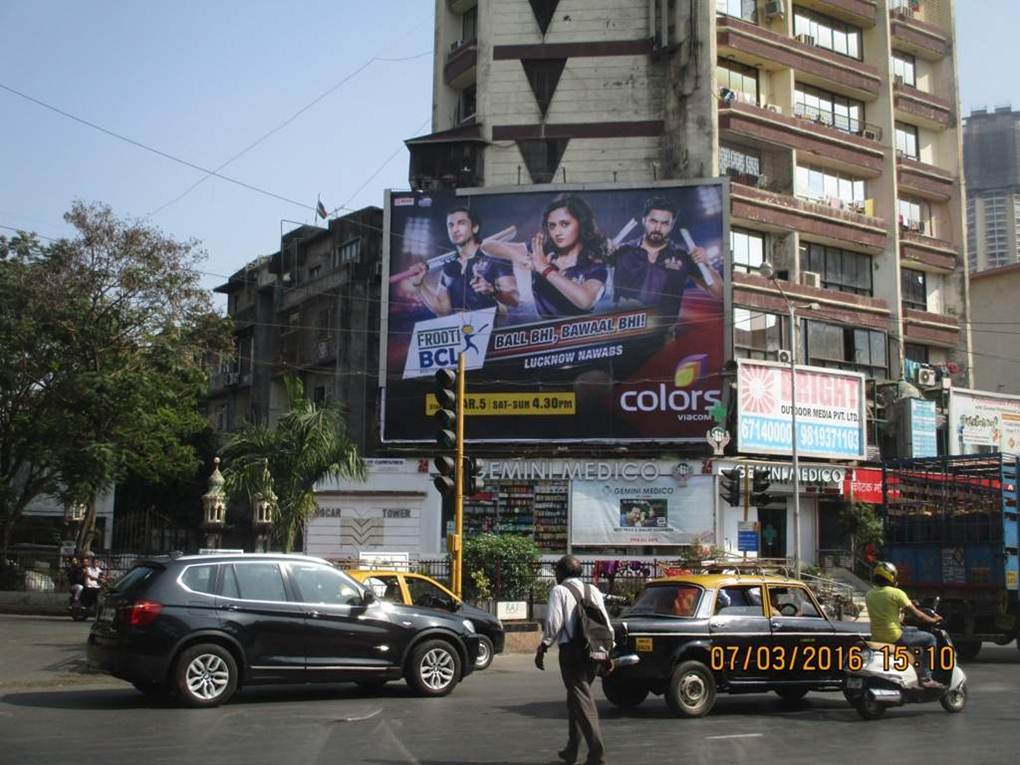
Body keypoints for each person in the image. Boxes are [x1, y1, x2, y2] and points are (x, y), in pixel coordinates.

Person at [535, 555, 612, 765]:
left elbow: (553, 624)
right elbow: (605, 622)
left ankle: (597, 754)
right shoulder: (593, 590)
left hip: (572, 654)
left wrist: (543, 647)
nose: (556, 575)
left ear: (562, 573)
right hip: (595, 652)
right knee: (575, 700)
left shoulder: (559, 591)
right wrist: (607, 654)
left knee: (583, 701)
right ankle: (572, 749)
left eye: (557, 571)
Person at [612, 196, 723, 322]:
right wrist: (602, 250)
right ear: (644, 220)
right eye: (653, 221)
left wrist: (706, 263)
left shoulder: (682, 258)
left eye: (665, 223)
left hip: (663, 337)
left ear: (672, 225)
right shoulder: (622, 251)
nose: (658, 228)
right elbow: (591, 267)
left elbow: (719, 293)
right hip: (623, 333)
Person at [407, 206, 518, 316]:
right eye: (450, 225)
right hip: (461, 331)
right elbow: (443, 310)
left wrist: (492, 291)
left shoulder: (495, 257)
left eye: (461, 223)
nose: (455, 230)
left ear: (475, 228)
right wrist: (419, 285)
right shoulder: (449, 267)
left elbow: (514, 300)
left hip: (490, 330)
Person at [522, 194, 609, 319]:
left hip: (578, 336)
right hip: (544, 335)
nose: (557, 232)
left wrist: (545, 270)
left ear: (581, 223)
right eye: (552, 226)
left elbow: (586, 302)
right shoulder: (540, 254)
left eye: (564, 224)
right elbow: (489, 246)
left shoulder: (595, 267)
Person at [865, 561, 944, 689]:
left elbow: (885, 611)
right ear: (891, 576)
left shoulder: (869, 594)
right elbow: (918, 615)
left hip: (877, 636)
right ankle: (925, 677)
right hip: (895, 636)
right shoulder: (897, 593)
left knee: (912, 630)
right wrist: (933, 620)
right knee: (930, 638)